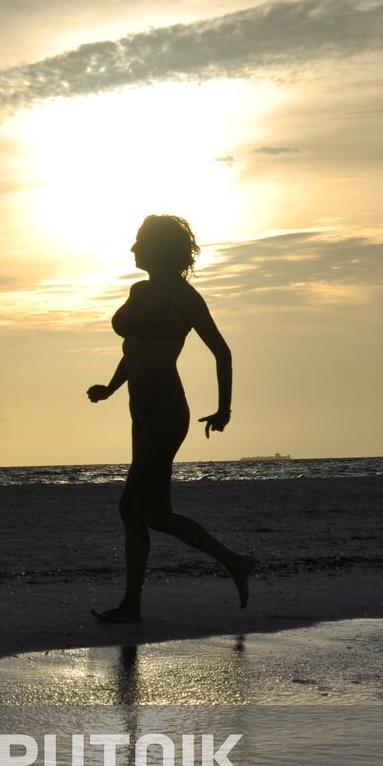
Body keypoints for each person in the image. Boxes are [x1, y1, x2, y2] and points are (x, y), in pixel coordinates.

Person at [87, 215, 255, 623]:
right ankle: (234, 561)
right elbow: (133, 349)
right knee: (156, 515)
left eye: (140, 242)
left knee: (130, 506)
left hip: (167, 411)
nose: (133, 249)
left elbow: (223, 352)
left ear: (160, 248)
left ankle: (131, 606)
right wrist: (110, 388)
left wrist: (224, 409)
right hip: (140, 412)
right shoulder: (139, 290)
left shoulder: (184, 297)